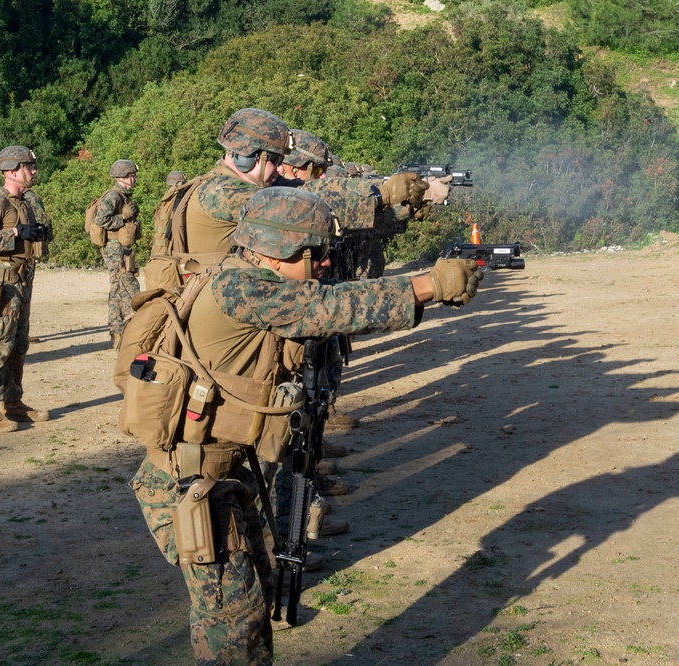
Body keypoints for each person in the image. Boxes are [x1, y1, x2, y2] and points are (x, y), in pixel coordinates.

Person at [130, 186, 481, 665]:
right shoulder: (242, 289)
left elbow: (323, 303)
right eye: (315, 253)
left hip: (219, 478)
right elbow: (330, 308)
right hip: (193, 485)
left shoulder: (242, 275)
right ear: (280, 251)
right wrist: (429, 285)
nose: (322, 265)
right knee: (235, 625)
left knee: (243, 603)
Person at [0, 145, 52, 432]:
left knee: (18, 345)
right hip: (2, 284)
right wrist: (15, 233)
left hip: (23, 281)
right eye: (28, 166)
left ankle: (13, 402)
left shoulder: (26, 201)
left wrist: (37, 231)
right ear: (12, 170)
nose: (33, 171)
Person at [183, 107, 293, 256]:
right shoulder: (223, 191)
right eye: (275, 160)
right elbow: (296, 209)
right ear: (245, 159)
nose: (280, 169)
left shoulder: (217, 181)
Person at [93, 159, 142, 348]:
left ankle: (119, 332)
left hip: (121, 247)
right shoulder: (113, 196)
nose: (136, 179)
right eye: (133, 175)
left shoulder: (122, 195)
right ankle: (121, 330)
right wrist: (123, 217)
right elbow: (101, 221)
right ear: (125, 176)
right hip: (115, 248)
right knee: (125, 286)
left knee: (118, 288)